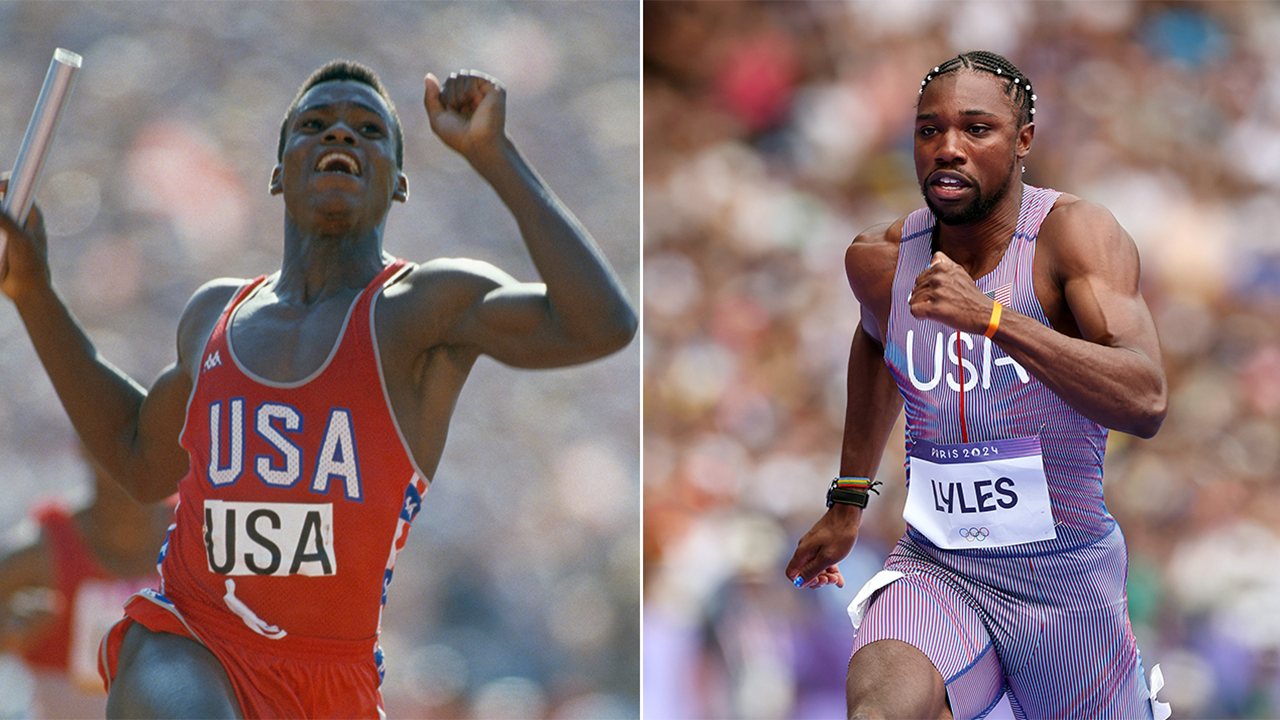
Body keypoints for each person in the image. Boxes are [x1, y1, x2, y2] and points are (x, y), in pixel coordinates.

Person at [0, 59, 636, 719]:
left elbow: (601, 324)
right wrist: (34, 292)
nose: (340, 135)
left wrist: (493, 154)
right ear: (279, 173)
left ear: (398, 183)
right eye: (315, 124)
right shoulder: (214, 316)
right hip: (192, 638)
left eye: (368, 129)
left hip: (333, 683)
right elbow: (138, 456)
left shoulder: (424, 308)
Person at [784, 51, 1171, 720]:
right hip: (939, 566)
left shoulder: (1073, 238)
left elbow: (1145, 399)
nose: (948, 149)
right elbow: (878, 342)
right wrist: (849, 499)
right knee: (880, 706)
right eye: (929, 130)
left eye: (976, 129)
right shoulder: (879, 261)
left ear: (1022, 141)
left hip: (1066, 583)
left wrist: (994, 319)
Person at [0, 452, 171, 718]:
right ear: (85, 446)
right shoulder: (40, 551)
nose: (128, 503)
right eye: (113, 489)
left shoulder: (203, 537)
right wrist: (6, 635)